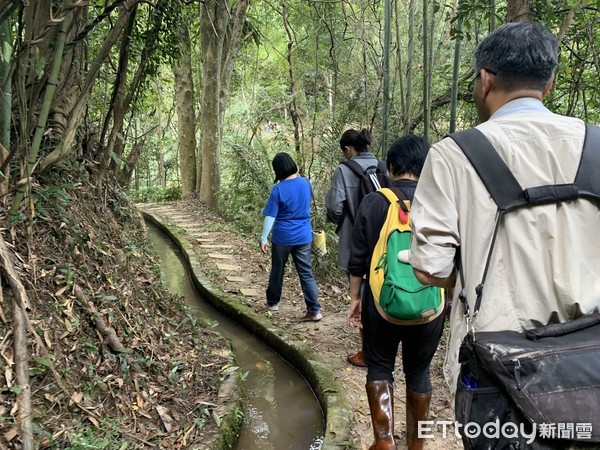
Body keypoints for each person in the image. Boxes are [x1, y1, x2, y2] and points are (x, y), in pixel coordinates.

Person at [409, 20, 600, 404]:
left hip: (500, 368)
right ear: (549, 84)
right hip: (592, 360)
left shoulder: (453, 155)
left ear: (484, 79)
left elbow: (431, 268)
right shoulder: (596, 145)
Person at [346, 135, 445, 450]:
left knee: (379, 366)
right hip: (430, 305)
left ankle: (384, 441)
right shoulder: (441, 203)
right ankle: (417, 444)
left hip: (382, 303)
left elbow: (358, 259)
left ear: (390, 167)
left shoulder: (375, 201)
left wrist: (355, 298)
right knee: (419, 371)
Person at [326, 128, 382, 367]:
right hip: (386, 238)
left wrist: (344, 221)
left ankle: (367, 352)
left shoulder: (344, 170)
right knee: (380, 288)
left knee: (360, 293)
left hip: (357, 240)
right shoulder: (382, 165)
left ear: (348, 149)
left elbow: (334, 206)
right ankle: (381, 347)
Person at [260, 152, 322, 322]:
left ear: (278, 170)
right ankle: (314, 310)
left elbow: (271, 216)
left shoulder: (278, 189)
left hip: (282, 237)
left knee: (278, 269)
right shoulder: (306, 183)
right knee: (306, 272)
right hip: (303, 236)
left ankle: (272, 302)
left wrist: (264, 238)